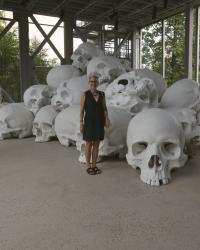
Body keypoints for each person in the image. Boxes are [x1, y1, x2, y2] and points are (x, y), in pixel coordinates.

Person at [80, 74, 110, 175]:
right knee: (88, 144)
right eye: (91, 81)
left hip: (99, 122)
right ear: (89, 83)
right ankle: (88, 165)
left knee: (96, 144)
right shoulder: (84, 94)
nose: (93, 83)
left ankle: (94, 165)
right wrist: (81, 123)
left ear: (98, 83)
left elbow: (104, 108)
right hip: (88, 122)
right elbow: (81, 111)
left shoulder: (102, 94)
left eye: (95, 81)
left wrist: (107, 118)